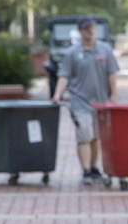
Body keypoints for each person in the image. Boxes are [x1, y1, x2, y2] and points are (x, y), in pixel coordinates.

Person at [51, 17, 119, 185]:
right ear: (80, 31)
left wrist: (113, 96)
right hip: (79, 101)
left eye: (92, 28)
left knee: (96, 137)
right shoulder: (73, 53)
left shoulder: (104, 50)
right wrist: (57, 93)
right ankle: (86, 170)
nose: (91, 31)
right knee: (85, 135)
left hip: (100, 103)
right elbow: (64, 75)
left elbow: (112, 75)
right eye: (87, 29)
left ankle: (94, 168)